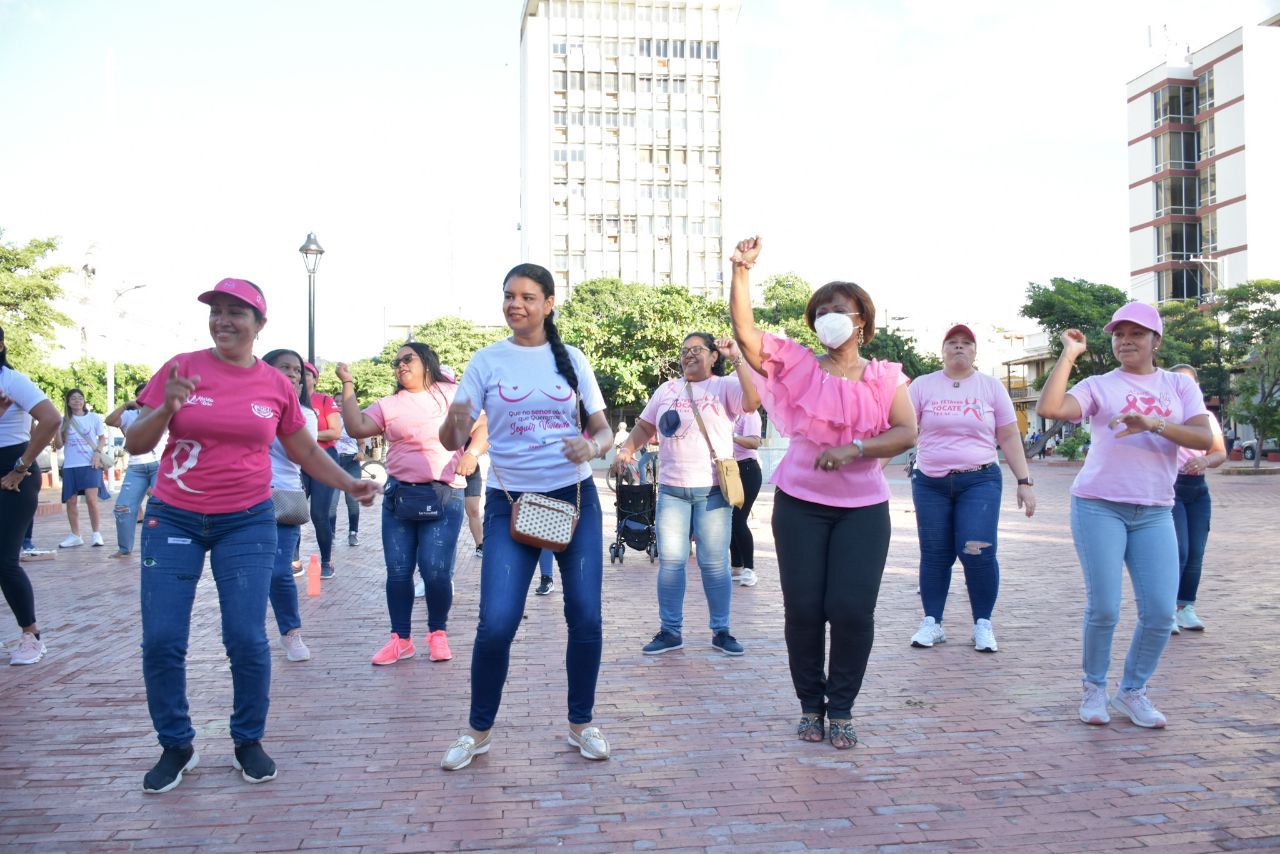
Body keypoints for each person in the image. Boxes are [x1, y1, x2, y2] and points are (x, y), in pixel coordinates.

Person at [126, 278, 377, 793]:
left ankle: (248, 739)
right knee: (163, 639)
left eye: (236, 312)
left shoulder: (275, 385)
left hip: (247, 519)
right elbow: (135, 442)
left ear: (259, 324)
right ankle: (175, 745)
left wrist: (349, 482)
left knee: (244, 635)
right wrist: (167, 407)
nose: (223, 320)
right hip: (173, 516)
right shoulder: (181, 367)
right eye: (216, 311)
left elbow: (306, 452)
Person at [728, 236, 917, 751]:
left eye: (841, 310)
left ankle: (844, 707)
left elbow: (906, 432)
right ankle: (811, 705)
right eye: (822, 311)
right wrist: (742, 271)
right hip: (799, 506)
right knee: (805, 609)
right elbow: (746, 336)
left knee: (852, 610)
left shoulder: (885, 378)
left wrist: (854, 448)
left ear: (862, 321)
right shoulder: (799, 366)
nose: (830, 317)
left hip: (863, 511)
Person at [437, 262, 615, 771]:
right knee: (496, 622)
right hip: (509, 502)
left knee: (585, 615)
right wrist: (455, 421)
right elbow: (454, 438)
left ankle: (581, 724)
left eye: (528, 297)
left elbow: (603, 431)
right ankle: (478, 731)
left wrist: (590, 446)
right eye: (509, 296)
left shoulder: (573, 360)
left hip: (573, 499)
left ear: (549, 303)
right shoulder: (486, 361)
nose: (516, 305)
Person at [1036, 303, 1212, 729]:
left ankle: (1132, 691)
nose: (1126, 340)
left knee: (1159, 612)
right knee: (1106, 608)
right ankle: (1094, 687)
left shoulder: (1178, 386)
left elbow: (1204, 436)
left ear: (1156, 341)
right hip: (1099, 505)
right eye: (1119, 334)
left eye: (1136, 333)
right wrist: (1069, 355)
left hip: (1154, 510)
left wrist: (1154, 424)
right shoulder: (1100, 385)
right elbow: (1051, 408)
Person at [612, 333, 760, 656]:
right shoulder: (667, 389)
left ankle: (721, 631)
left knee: (714, 564)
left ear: (713, 357)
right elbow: (645, 427)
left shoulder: (725, 387)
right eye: (684, 351)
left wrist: (737, 357)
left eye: (697, 350)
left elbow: (752, 401)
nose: (689, 355)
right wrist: (626, 450)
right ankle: (670, 631)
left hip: (712, 492)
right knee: (671, 563)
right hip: (672, 492)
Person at [337, 343, 470, 666]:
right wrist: (348, 384)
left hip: (445, 494)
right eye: (396, 362)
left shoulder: (451, 393)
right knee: (398, 572)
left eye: (407, 358)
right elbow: (356, 428)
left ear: (426, 361)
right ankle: (401, 639)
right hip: (400, 495)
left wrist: (474, 453)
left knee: (435, 570)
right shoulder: (388, 404)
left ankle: (437, 633)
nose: (400, 365)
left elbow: (482, 424)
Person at [907, 324, 1036, 654]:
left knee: (976, 548)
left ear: (975, 352)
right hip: (930, 482)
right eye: (953, 343)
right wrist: (871, 472)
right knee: (935, 553)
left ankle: (983, 623)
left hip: (979, 479)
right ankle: (932, 622)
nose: (959, 348)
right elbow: (905, 431)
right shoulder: (922, 386)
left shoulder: (991, 388)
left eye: (966, 343)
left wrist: (1024, 482)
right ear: (943, 350)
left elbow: (1008, 436)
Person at [0, 325, 62, 665]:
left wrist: (20, 468)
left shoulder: (12, 381)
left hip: (12, 477)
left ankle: (31, 637)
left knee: (4, 561)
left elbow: (52, 418)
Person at [263, 349, 319, 663]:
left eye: (297, 370)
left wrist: (282, 408)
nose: (293, 374)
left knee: (278, 571)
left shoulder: (305, 414)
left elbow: (300, 455)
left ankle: (290, 632)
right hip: (241, 496)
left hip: (283, 497)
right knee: (243, 571)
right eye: (284, 368)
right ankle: (247, 634)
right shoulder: (246, 403)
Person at [1168, 364, 1227, 633]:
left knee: (1196, 552)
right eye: (1179, 382)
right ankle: (1166, 609)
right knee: (1177, 550)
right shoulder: (1165, 416)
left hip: (1198, 489)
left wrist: (1205, 459)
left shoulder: (1206, 418)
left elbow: (1219, 453)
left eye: (1191, 383)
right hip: (1171, 488)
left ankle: (1186, 607)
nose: (1186, 387)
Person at [105, 383, 163, 558]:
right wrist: (125, 405)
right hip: (136, 467)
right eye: (140, 396)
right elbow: (109, 421)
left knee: (161, 505)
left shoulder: (163, 412)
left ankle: (160, 546)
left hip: (159, 464)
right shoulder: (130, 416)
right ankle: (124, 548)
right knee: (123, 507)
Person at [303, 362, 343, 579]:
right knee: (293, 512)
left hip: (323, 459)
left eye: (307, 374)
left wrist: (305, 434)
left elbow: (334, 432)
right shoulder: (286, 401)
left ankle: (326, 561)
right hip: (296, 460)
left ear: (315, 379)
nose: (301, 377)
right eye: (299, 373)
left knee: (319, 514)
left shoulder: (324, 400)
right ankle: (294, 560)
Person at [53, 388, 108, 548]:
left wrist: (97, 453)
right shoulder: (64, 420)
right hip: (71, 465)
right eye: (73, 399)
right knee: (71, 501)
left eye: (80, 398)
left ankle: (96, 534)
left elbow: (102, 438)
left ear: (84, 401)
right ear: (68, 403)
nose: (77, 401)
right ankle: (75, 535)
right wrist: (57, 429)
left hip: (90, 464)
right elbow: (58, 445)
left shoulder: (94, 417)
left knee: (91, 500)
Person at [729, 409, 763, 587]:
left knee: (738, 519)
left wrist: (732, 436)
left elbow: (754, 442)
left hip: (748, 470)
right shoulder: (731, 412)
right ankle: (736, 566)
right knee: (730, 520)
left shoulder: (750, 414)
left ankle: (749, 569)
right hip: (731, 470)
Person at [459, 414, 489, 559]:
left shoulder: (475, 417)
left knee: (474, 510)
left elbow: (484, 424)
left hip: (471, 470)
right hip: (448, 471)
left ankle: (480, 545)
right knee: (453, 511)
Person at [334, 426, 363, 546]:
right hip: (332, 461)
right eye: (338, 404)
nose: (340, 405)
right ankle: (330, 534)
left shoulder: (351, 420)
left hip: (352, 461)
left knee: (352, 501)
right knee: (331, 502)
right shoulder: (328, 417)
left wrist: (361, 451)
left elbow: (361, 442)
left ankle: (353, 533)